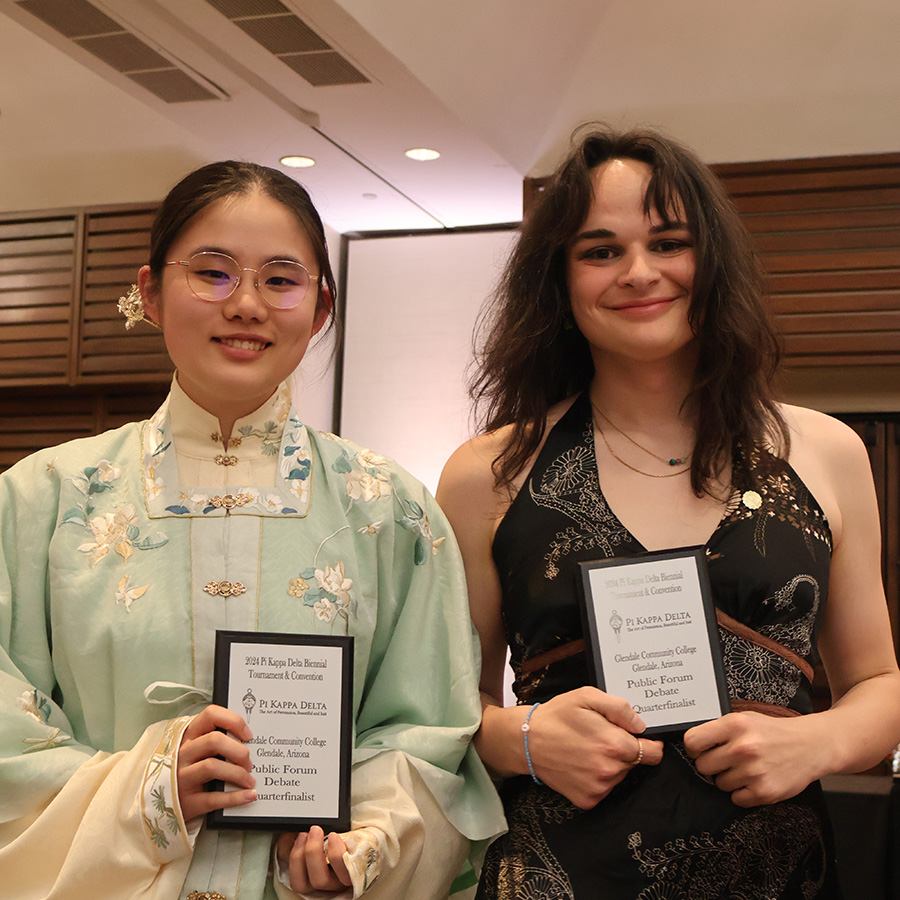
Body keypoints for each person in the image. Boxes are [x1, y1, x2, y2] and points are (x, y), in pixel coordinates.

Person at [0, 161, 505, 899]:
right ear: (149, 292)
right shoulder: (44, 499)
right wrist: (148, 789)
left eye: (280, 279)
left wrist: (362, 844)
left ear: (321, 307)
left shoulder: (388, 509)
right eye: (211, 273)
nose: (245, 305)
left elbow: (430, 732)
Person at [437, 127, 900, 898]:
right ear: (560, 281)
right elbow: (447, 710)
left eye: (668, 241)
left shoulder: (826, 452)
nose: (638, 273)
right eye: (600, 250)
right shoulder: (490, 472)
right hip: (555, 874)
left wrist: (815, 742)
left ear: (711, 259)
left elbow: (880, 683)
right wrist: (524, 737)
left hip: (781, 874)